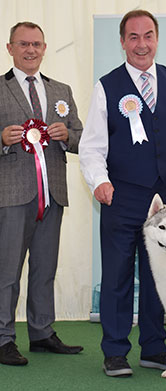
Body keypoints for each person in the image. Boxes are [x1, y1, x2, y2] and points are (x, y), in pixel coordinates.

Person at [79, 10, 166, 377]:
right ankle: (115, 352)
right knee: (116, 277)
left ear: (157, 39)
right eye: (133, 37)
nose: (141, 44)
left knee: (159, 278)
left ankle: (154, 347)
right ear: (122, 42)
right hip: (120, 196)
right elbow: (92, 145)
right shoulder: (107, 86)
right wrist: (98, 181)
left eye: (148, 35)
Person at [0, 22, 83, 366]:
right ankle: (3, 337)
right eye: (23, 44)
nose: (30, 50)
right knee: (6, 271)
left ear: (45, 48)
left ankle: (41, 332)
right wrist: (1, 139)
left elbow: (81, 137)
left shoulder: (61, 89)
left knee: (45, 267)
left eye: (36, 44)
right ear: (10, 48)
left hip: (53, 193)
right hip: (12, 193)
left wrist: (67, 135)